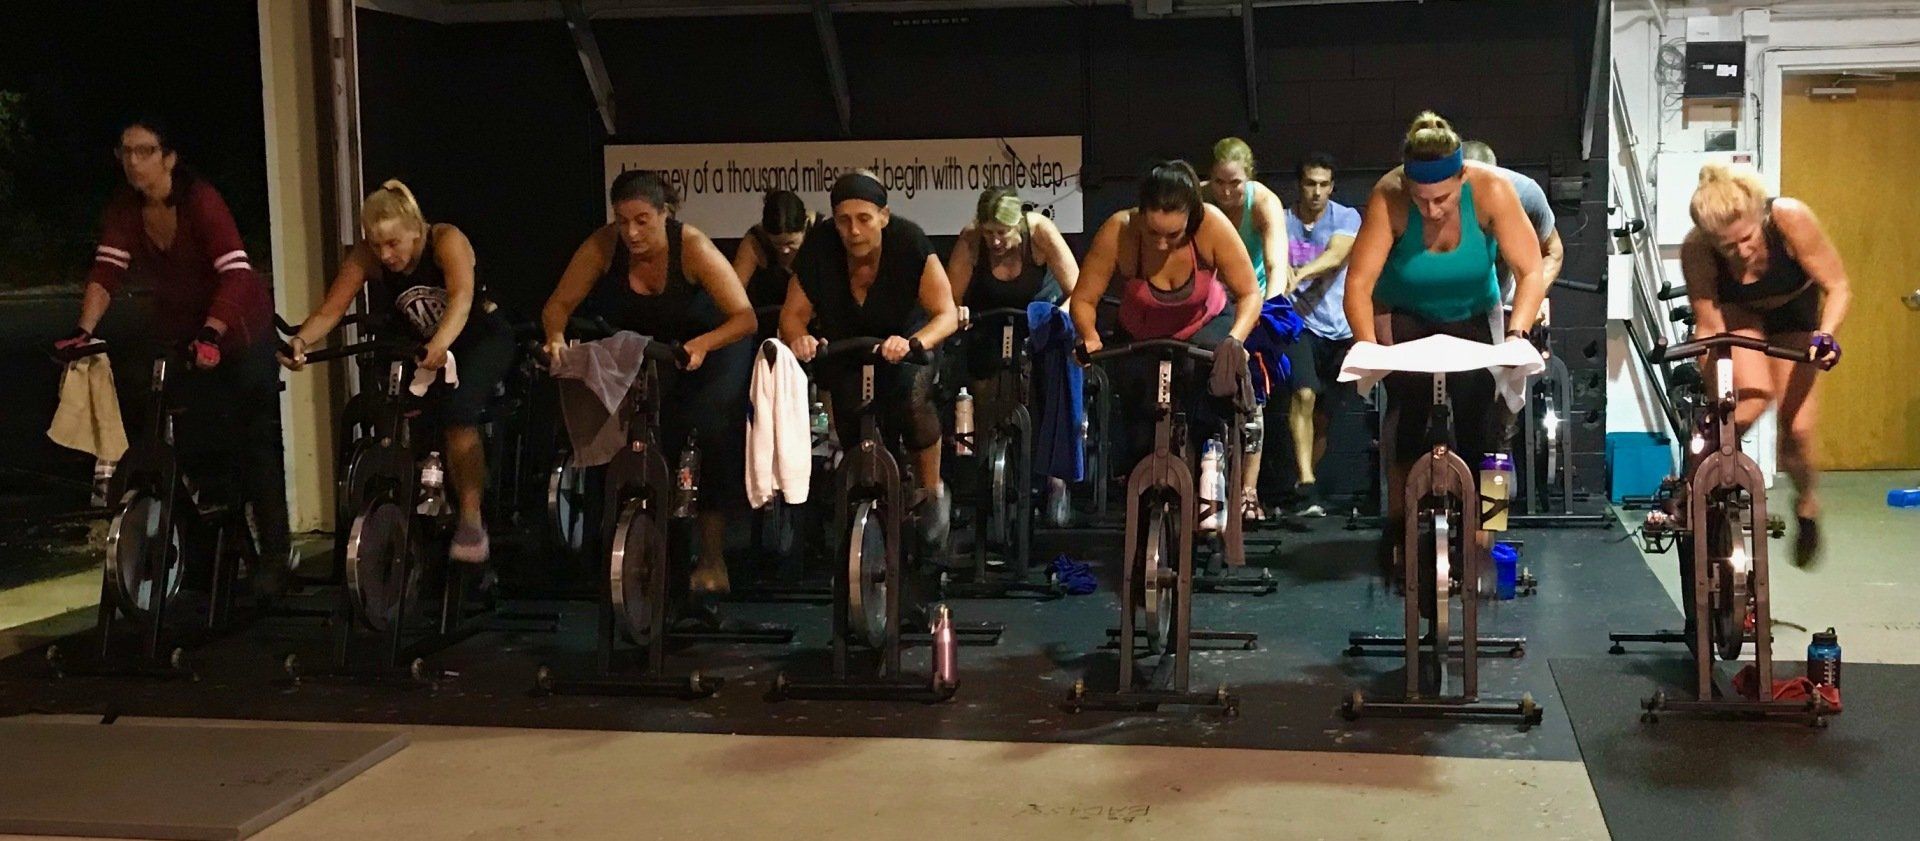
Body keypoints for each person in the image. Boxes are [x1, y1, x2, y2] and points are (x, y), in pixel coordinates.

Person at [54, 117, 288, 596]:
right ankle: (207, 557)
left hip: (240, 332)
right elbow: (107, 269)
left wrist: (212, 332)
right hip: (184, 335)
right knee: (184, 441)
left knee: (256, 441)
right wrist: (83, 331)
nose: (133, 162)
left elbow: (237, 274)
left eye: (144, 151)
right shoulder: (126, 208)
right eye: (125, 152)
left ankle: (276, 558)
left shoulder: (201, 201)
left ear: (169, 157)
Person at [540, 170, 759, 593]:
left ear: (665, 213)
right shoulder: (604, 246)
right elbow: (558, 305)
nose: (631, 232)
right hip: (652, 347)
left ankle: (713, 560)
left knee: (708, 428)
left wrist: (702, 344)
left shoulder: (692, 247)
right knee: (636, 430)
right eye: (622, 221)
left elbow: (745, 318)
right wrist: (554, 337)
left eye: (642, 220)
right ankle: (639, 546)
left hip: (714, 344)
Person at [1342, 112, 1547, 564]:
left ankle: (1489, 532)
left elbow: (1531, 268)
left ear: (1462, 177)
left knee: (1488, 426)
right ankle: (1397, 527)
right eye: (1421, 199)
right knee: (1406, 413)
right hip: (1407, 311)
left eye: (1442, 199)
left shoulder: (1491, 191)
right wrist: (1366, 345)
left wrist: (1518, 333)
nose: (1431, 210)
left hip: (1474, 311)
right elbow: (1357, 284)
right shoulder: (1388, 196)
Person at [281, 180, 514, 566]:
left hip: (479, 337)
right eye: (375, 245)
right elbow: (331, 311)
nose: (384, 255)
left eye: (393, 244)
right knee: (394, 407)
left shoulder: (445, 240)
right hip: (424, 345)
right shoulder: (368, 257)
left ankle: (472, 521)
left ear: (416, 230)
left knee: (458, 412)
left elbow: (461, 299)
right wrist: (300, 342)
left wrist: (441, 343)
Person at [1680, 162, 1850, 567]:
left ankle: (1807, 503)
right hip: (1741, 316)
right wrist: (1717, 399)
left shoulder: (1789, 217)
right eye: (1727, 247)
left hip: (1796, 313)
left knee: (1797, 432)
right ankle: (1690, 489)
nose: (1740, 252)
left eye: (1746, 238)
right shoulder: (1697, 248)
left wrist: (1825, 335)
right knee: (1747, 403)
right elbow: (1708, 327)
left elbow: (1838, 286)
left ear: (1760, 214)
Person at [781, 171, 961, 545]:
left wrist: (914, 341)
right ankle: (863, 501)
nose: (854, 230)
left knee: (912, 404)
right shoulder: (819, 247)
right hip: (848, 345)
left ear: (884, 216)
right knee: (849, 424)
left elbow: (945, 313)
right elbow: (792, 316)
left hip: (907, 340)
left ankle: (931, 492)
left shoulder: (909, 241)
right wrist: (800, 339)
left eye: (864, 219)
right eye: (844, 220)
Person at [1068, 161, 1264, 484]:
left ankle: (1212, 474)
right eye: (1153, 232)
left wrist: (1235, 339)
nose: (1161, 244)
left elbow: (1249, 294)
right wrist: (1088, 335)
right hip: (1143, 333)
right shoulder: (1120, 231)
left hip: (1203, 324)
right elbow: (1084, 299)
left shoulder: (1211, 226)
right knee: (1141, 429)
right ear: (1141, 215)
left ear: (1191, 219)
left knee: (1206, 397)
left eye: (1172, 235)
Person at [946, 186, 1080, 519]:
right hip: (991, 319)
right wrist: (956, 309)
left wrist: (1061, 312)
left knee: (1056, 368)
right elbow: (949, 298)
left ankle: (1056, 479)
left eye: (1003, 233)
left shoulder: (1039, 232)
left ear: (1018, 223)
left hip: (1038, 317)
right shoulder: (971, 239)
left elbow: (1078, 290)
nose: (995, 241)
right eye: (989, 232)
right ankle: (982, 464)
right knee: (977, 375)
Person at [1202, 139, 1293, 521]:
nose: (1226, 192)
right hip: (1209, 300)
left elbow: (1275, 265)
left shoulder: (1264, 203)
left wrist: (1270, 308)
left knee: (1253, 391)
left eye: (1235, 183)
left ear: (1249, 178)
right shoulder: (1199, 200)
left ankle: (1249, 492)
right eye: (1220, 183)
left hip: (1251, 297)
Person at [1280, 152, 1363, 517]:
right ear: (1300, 185)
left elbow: (1337, 255)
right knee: (1303, 394)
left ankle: (1301, 489)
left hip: (1340, 327)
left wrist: (1298, 275)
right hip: (1301, 323)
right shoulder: (1281, 221)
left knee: (1324, 415)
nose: (1316, 192)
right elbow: (1272, 254)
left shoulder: (1346, 217)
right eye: (1310, 184)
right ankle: (1308, 486)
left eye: (1324, 185)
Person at [731, 190, 816, 315]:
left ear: (805, 225)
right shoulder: (756, 241)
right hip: (766, 320)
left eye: (791, 243)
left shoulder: (820, 234)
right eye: (777, 244)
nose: (785, 250)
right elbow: (732, 293)